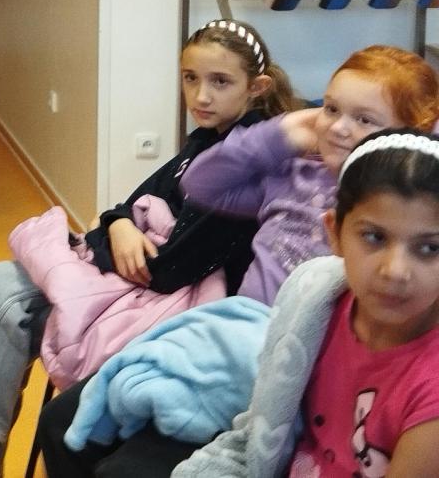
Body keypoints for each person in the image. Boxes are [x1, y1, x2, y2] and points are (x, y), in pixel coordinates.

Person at [0, 19, 297, 478]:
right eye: (190, 78)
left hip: (175, 309)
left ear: (257, 87)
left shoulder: (246, 163)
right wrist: (118, 225)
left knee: (5, 306)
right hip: (136, 287)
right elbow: (128, 206)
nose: (201, 96)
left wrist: (114, 229)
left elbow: (164, 270)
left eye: (220, 82)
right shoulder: (206, 140)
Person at [36, 44, 439, 477]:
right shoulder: (293, 173)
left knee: (123, 463)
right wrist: (283, 132)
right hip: (233, 333)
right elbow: (201, 183)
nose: (339, 128)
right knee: (61, 422)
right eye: (331, 109)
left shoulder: (410, 211)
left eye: (364, 119)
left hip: (276, 359)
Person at [175, 129, 439, 476]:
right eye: (374, 237)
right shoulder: (315, 300)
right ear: (335, 233)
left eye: (429, 248)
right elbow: (264, 422)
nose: (395, 271)